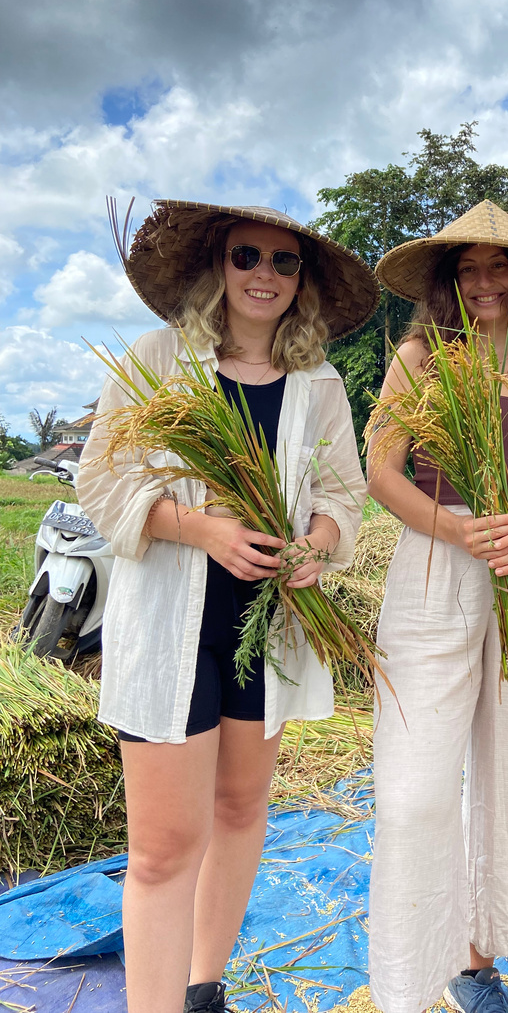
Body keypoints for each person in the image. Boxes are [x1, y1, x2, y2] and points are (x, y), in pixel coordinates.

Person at [78, 200, 379, 1013]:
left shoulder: (316, 385)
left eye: (285, 264)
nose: (265, 275)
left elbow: (343, 493)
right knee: (164, 848)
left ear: (301, 283)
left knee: (243, 807)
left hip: (268, 628)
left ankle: (203, 985)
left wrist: (316, 543)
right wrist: (199, 527)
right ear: (220, 265)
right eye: (249, 256)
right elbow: (102, 482)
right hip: (171, 630)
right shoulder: (157, 360)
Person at [366, 200, 508, 1013]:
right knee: (416, 786)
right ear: (447, 283)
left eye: (500, 268)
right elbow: (382, 473)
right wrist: (456, 532)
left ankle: (476, 962)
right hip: (437, 561)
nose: (485, 282)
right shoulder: (419, 360)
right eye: (468, 269)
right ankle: (408, 974)